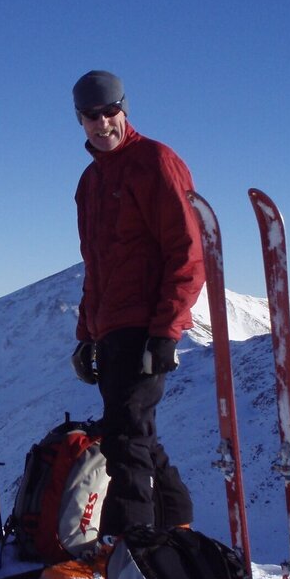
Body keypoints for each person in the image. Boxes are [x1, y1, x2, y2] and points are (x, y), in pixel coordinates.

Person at [69, 70, 205, 543]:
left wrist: (167, 330)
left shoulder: (157, 162)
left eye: (110, 112)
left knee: (127, 439)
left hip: (146, 325)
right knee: (130, 429)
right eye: (91, 116)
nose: (102, 123)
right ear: (80, 120)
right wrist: (86, 334)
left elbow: (187, 252)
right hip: (111, 330)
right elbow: (96, 265)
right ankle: (176, 524)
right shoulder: (89, 183)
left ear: (124, 109)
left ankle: (132, 551)